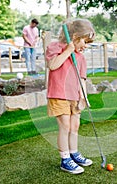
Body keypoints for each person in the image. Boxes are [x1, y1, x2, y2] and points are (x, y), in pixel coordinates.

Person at [45, 18, 95, 174]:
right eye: (85, 42)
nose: (86, 46)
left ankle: (74, 153)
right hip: (59, 94)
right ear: (75, 37)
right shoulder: (55, 47)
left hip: (74, 95)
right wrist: (68, 50)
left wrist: (84, 97)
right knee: (65, 125)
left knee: (74, 126)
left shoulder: (81, 57)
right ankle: (65, 159)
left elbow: (82, 79)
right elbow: (52, 65)